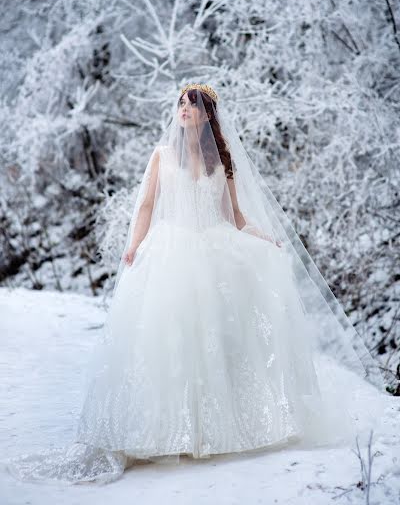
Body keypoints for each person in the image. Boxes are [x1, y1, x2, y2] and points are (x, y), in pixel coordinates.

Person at [3, 83, 386, 485]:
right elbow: (148, 204)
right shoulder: (162, 156)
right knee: (173, 338)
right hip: (173, 251)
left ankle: (223, 429)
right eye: (181, 103)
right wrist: (134, 246)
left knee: (220, 340)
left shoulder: (221, 160)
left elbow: (235, 216)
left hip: (216, 251)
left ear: (207, 115)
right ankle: (168, 430)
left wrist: (265, 239)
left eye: (193, 104)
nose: (184, 109)